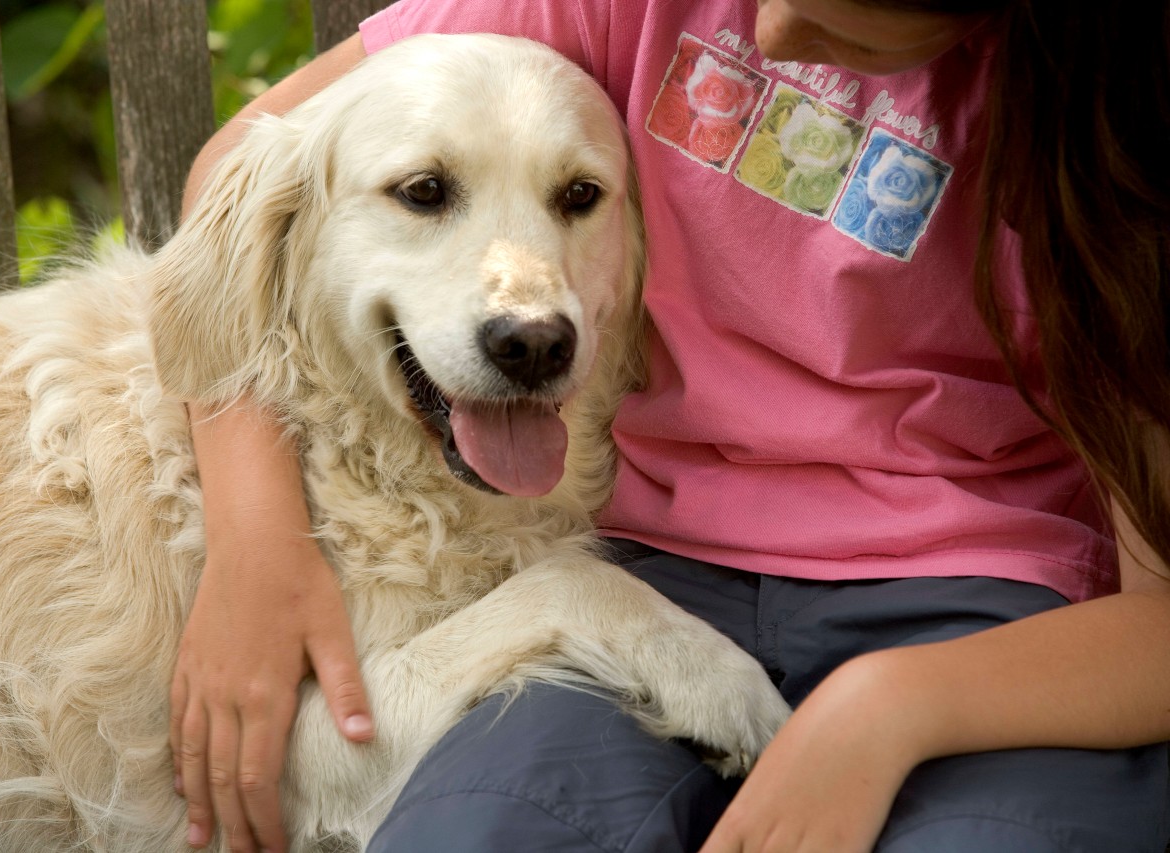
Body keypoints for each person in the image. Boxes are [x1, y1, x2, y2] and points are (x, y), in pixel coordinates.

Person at [169, 1, 1170, 851]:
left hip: (981, 618)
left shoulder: (1108, 128)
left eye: (837, 26)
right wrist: (257, 536)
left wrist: (887, 707)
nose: (769, 24)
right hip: (642, 571)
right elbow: (243, 167)